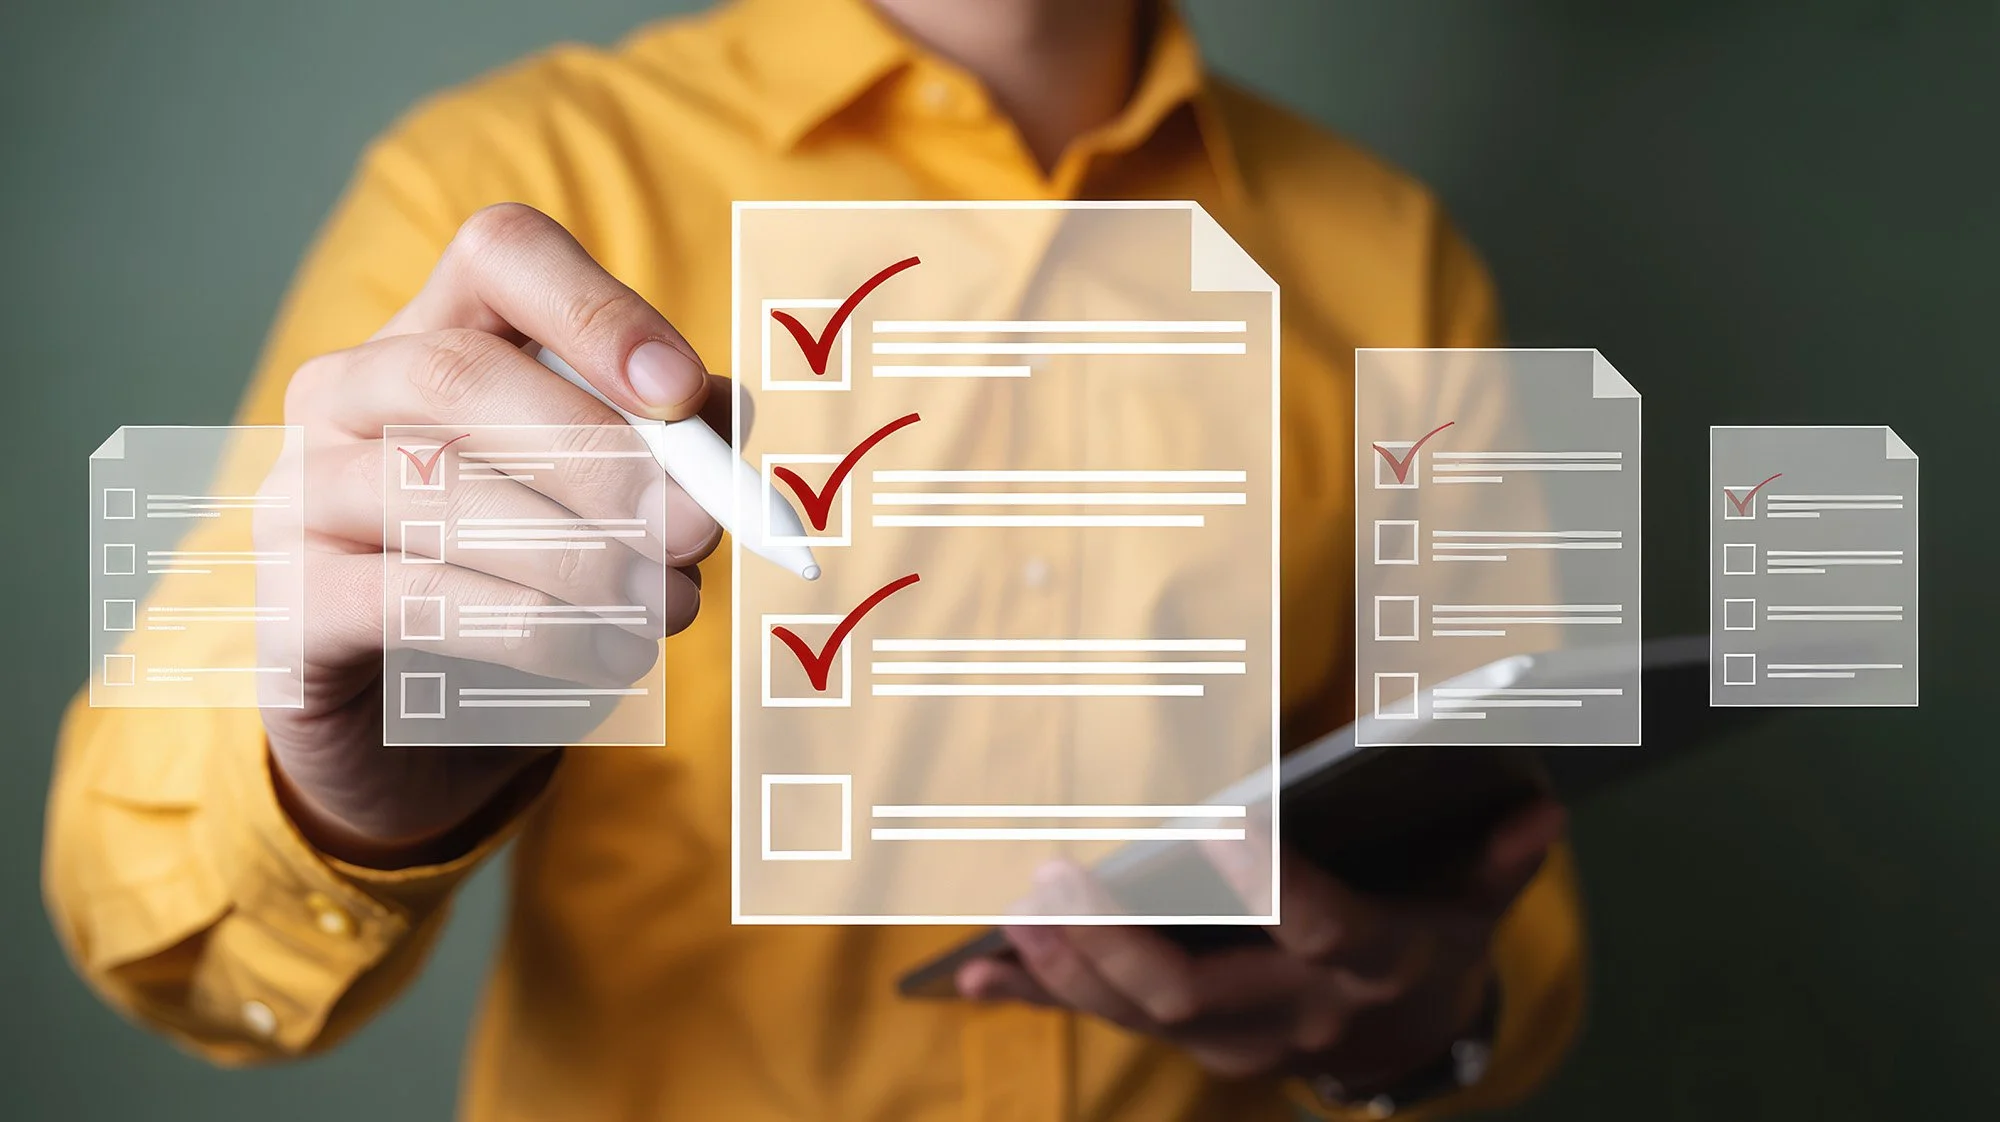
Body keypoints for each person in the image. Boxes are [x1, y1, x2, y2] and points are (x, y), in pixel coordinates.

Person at [43, 0, 1584, 1117]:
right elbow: (143, 918)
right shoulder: (517, 183)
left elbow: (1515, 941)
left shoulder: (1393, 262)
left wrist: (1417, 1023)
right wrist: (333, 805)